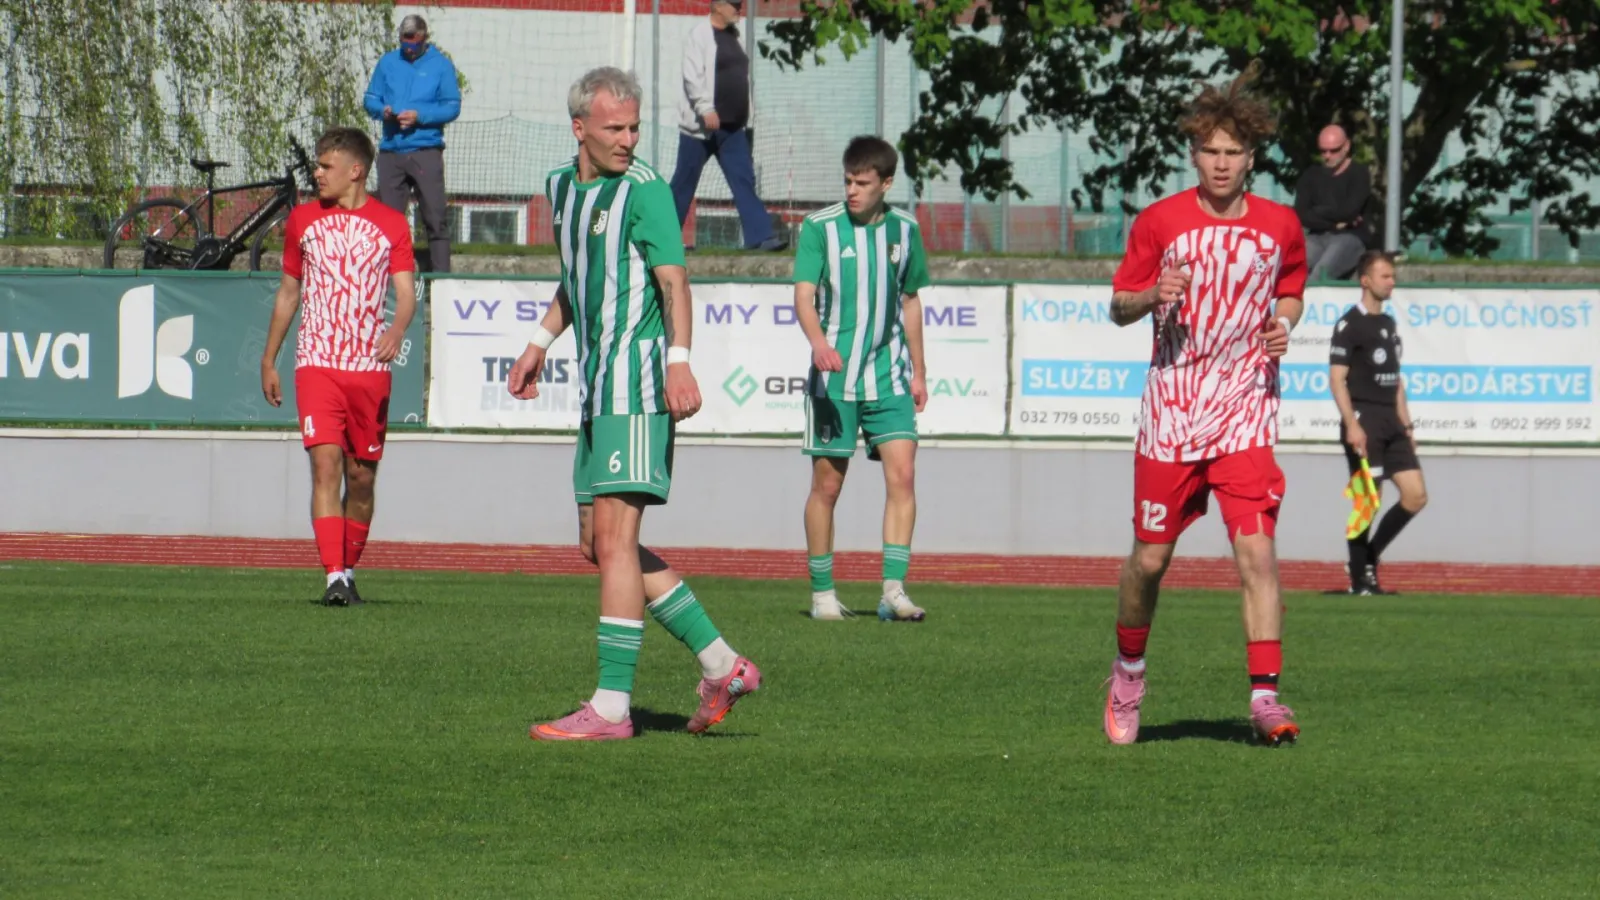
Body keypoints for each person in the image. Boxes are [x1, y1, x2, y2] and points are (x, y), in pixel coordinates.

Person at [508, 67, 761, 741]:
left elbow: (674, 282)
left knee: (617, 541)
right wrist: (538, 344)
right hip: (596, 389)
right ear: (579, 129)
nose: (627, 140)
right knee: (597, 543)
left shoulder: (646, 190)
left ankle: (612, 707)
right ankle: (723, 664)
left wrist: (678, 361)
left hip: (638, 387)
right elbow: (577, 280)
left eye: (634, 128)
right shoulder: (561, 188)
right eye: (614, 128)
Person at [1102, 70, 1308, 747]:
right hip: (1172, 412)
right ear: (1194, 155)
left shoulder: (1280, 225)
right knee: (1150, 561)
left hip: (1246, 408)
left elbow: (1291, 289)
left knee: (1258, 552)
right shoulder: (1160, 221)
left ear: (1252, 158)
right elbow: (1118, 306)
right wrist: (1151, 295)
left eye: (1233, 152)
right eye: (1211, 151)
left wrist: (1283, 322)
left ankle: (1265, 698)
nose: (1221, 163)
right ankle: (1129, 672)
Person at [260, 127, 417, 607]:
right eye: (317, 165)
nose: (317, 173)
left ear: (356, 171)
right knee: (324, 466)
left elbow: (406, 293)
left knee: (361, 478)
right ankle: (333, 577)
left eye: (326, 166)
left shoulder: (392, 224)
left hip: (369, 369)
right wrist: (270, 359)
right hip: (317, 364)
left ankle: (347, 571)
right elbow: (289, 293)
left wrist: (397, 329)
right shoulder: (302, 221)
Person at [792, 136, 931, 623]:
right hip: (834, 380)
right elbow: (804, 295)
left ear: (886, 184)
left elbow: (911, 300)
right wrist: (818, 343)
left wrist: (919, 371)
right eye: (848, 181)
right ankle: (823, 595)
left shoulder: (905, 231)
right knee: (827, 487)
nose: (852, 190)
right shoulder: (820, 228)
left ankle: (893, 591)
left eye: (863, 183)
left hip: (889, 376)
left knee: (903, 475)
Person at [1330, 250, 1425, 595]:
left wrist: (1408, 427)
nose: (1391, 282)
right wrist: (1351, 424)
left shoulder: (1387, 323)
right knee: (1369, 500)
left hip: (1392, 422)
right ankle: (1360, 580)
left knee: (1415, 495)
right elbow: (1337, 380)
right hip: (1364, 419)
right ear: (1365, 280)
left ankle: (1367, 557)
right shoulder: (1349, 325)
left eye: (1393, 276)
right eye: (1385, 276)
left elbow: (1396, 380)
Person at [669, 0, 787, 252]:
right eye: (734, 4)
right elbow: (692, 76)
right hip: (701, 129)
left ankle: (760, 237)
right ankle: (663, 239)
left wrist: (748, 117)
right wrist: (705, 108)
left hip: (732, 129)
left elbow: (742, 78)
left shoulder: (735, 36)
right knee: (683, 183)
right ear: (718, 6)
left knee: (744, 180)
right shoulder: (700, 35)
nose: (739, 9)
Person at [362, 14, 461, 273]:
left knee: (435, 218)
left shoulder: (441, 66)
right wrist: (382, 110)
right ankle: (388, 280)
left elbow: (452, 107)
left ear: (424, 38)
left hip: (426, 150)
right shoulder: (387, 63)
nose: (408, 48)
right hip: (391, 152)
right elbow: (370, 99)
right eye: (404, 42)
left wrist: (421, 116)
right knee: (388, 223)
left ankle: (440, 282)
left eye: (413, 42)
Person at [1294, 124, 1371, 281]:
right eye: (1323, 151)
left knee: (1319, 274)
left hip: (1349, 237)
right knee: (1292, 268)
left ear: (1346, 146)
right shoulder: (1310, 175)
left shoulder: (1359, 173)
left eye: (1333, 150)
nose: (1327, 156)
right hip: (1316, 236)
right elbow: (1301, 214)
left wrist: (1318, 211)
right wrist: (1335, 223)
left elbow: (1349, 211)